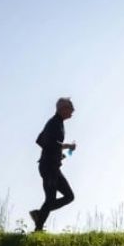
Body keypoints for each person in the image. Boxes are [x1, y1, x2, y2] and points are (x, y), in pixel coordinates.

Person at [29, 97, 77, 232]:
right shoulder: (54, 123)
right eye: (70, 108)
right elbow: (43, 141)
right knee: (51, 199)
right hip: (48, 166)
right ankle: (38, 228)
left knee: (69, 196)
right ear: (62, 109)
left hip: (52, 166)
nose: (73, 111)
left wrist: (57, 153)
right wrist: (65, 147)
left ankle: (39, 215)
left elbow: (44, 141)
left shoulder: (58, 123)